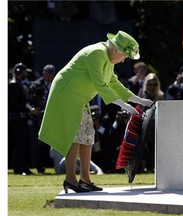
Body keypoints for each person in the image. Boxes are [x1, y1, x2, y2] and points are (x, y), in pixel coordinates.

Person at [38, 30, 153, 193]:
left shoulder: (108, 58)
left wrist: (140, 101)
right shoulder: (97, 53)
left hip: (79, 97)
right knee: (75, 135)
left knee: (87, 135)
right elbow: (101, 86)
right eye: (124, 56)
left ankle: (85, 179)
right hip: (67, 93)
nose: (123, 61)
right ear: (116, 50)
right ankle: (70, 179)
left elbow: (115, 84)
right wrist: (125, 106)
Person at [8, 63, 41, 175]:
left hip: (21, 118)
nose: (26, 74)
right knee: (19, 144)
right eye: (24, 71)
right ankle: (18, 168)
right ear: (19, 72)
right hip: (17, 119)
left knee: (24, 144)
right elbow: (14, 104)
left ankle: (24, 167)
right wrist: (29, 110)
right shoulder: (13, 85)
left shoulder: (18, 84)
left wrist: (30, 109)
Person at [29, 64, 56, 173]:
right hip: (39, 117)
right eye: (46, 73)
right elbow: (31, 99)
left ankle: (51, 164)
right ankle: (39, 166)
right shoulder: (36, 85)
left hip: (52, 116)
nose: (47, 75)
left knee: (51, 142)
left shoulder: (55, 83)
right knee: (39, 143)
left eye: (50, 73)